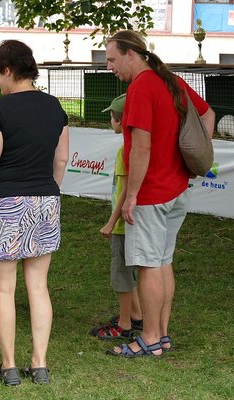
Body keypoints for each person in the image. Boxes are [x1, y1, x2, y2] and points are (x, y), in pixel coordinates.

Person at [104, 30, 214, 357]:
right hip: (177, 188)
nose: (109, 66)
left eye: (111, 59)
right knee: (163, 263)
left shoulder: (141, 87)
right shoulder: (171, 81)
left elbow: (141, 146)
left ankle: (149, 338)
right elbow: (207, 114)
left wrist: (132, 195)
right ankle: (161, 335)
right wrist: (194, 158)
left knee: (150, 266)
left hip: (152, 194)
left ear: (131, 55)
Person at [0, 40, 69, 386]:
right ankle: (40, 365)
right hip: (45, 201)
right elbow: (61, 159)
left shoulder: (0, 109)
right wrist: (47, 188)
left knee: (3, 290)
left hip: (4, 203)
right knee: (38, 288)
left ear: (8, 71)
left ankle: (10, 366)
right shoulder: (55, 106)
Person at [90, 94, 143, 340]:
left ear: (120, 121)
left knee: (121, 275)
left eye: (111, 116)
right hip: (134, 222)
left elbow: (123, 191)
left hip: (122, 226)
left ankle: (123, 325)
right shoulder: (135, 146)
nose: (110, 121)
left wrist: (112, 222)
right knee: (130, 273)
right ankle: (137, 315)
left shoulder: (125, 150)